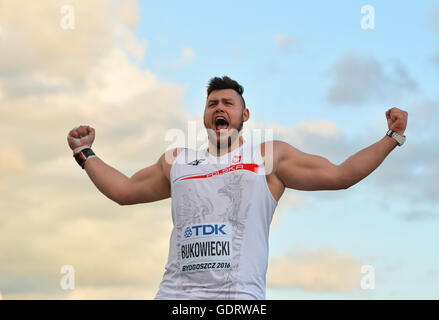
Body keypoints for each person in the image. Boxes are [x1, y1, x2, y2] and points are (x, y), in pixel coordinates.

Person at [67, 76, 408, 299]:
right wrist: (84, 154)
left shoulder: (269, 156)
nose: (219, 108)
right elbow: (124, 191)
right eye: (213, 103)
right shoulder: (177, 162)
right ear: (204, 115)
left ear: (245, 116)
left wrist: (391, 138)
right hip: (175, 296)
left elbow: (340, 175)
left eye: (228, 103)